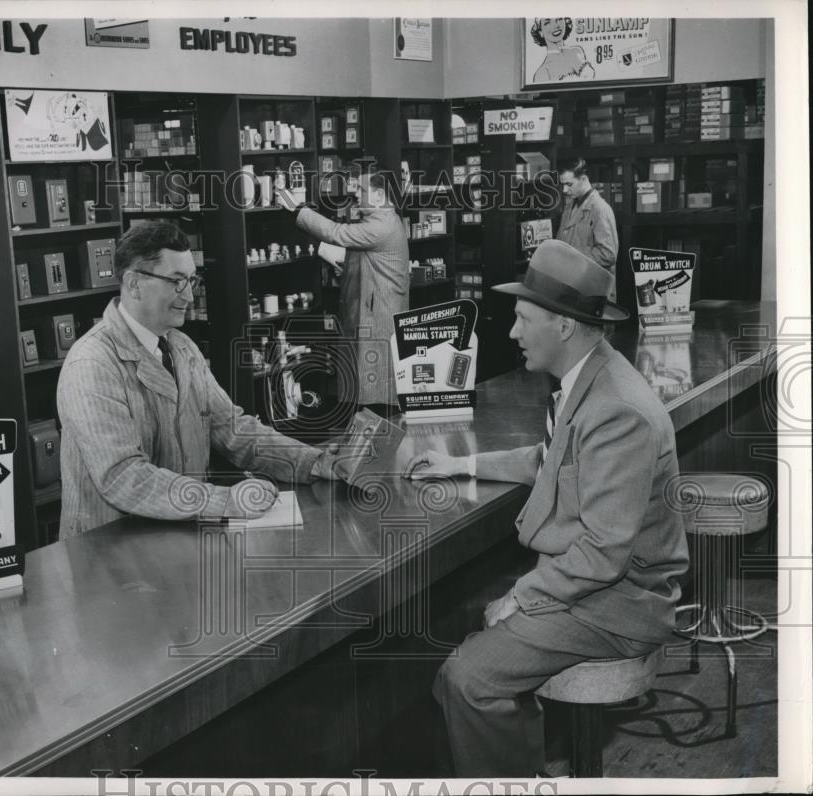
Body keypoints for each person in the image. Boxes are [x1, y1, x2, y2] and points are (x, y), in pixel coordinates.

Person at [403, 239, 689, 777]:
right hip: (594, 586)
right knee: (475, 646)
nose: (512, 332)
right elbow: (550, 459)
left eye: (522, 317)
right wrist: (460, 464)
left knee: (466, 679)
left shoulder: (617, 410)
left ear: (562, 325)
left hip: (621, 603)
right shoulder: (589, 378)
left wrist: (523, 594)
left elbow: (604, 552)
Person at [57, 222, 340, 539]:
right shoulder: (92, 363)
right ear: (134, 283)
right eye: (177, 282)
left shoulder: (180, 347)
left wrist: (313, 462)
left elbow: (233, 429)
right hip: (110, 554)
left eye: (191, 280)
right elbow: (123, 477)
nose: (190, 295)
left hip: (173, 539)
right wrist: (226, 500)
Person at [276, 170, 409, 414]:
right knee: (365, 383)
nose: (355, 193)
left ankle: (377, 439)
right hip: (370, 311)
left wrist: (296, 208)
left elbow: (336, 233)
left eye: (362, 190)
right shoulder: (378, 221)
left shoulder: (382, 225)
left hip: (376, 317)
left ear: (379, 195)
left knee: (374, 390)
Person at [556, 156, 619, 301]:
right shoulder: (569, 206)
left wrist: (572, 258)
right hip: (573, 288)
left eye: (569, 184)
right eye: (563, 185)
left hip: (593, 294)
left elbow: (608, 254)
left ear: (583, 179)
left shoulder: (600, 209)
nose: (565, 190)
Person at [529, 18, 595, 83]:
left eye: (559, 19)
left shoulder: (577, 51)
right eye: (547, 23)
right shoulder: (542, 73)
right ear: (541, 32)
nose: (556, 26)